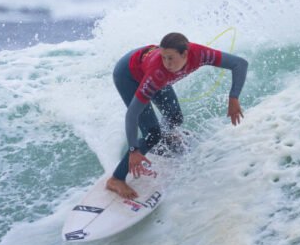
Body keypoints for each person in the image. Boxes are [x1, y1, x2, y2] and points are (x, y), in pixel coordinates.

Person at [106, 32, 249, 199]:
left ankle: (163, 140)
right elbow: (132, 114)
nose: (167, 63)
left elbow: (240, 64)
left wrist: (233, 98)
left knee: (175, 117)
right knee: (152, 134)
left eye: (170, 58)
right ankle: (116, 179)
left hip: (149, 69)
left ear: (185, 54)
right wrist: (133, 150)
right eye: (164, 57)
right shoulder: (158, 72)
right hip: (128, 75)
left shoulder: (200, 54)